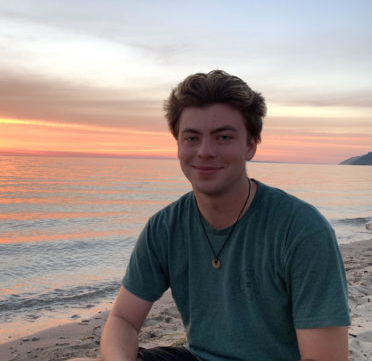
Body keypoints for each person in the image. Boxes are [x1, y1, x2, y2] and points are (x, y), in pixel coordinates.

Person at [70, 70, 350, 361]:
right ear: (178, 144)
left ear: (251, 145)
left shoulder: (301, 230)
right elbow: (123, 320)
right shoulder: (165, 227)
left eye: (224, 137)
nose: (204, 152)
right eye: (191, 137)